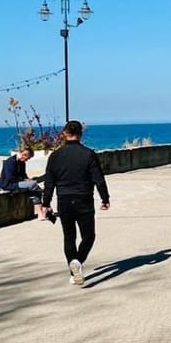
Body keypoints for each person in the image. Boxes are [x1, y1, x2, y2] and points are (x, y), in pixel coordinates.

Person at [41, 120, 110, 287]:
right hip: (83, 199)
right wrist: (105, 198)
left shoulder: (55, 156)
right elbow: (98, 179)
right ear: (80, 134)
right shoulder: (88, 154)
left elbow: (49, 182)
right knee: (89, 236)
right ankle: (78, 262)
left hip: (64, 200)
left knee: (69, 237)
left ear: (64, 133)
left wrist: (46, 203)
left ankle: (73, 272)